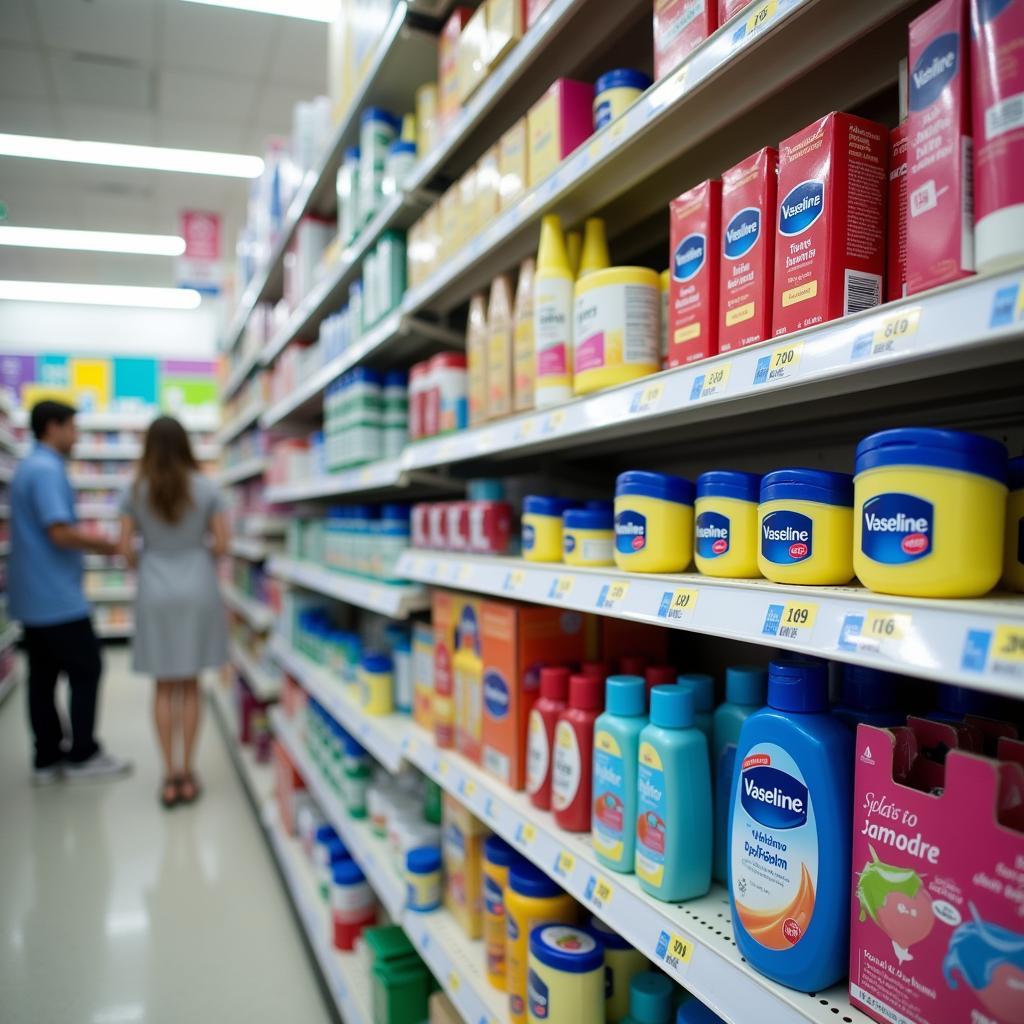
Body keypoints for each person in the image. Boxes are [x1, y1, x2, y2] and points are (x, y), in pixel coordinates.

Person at [9, 400, 132, 783]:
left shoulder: (29, 465)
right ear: (52, 427)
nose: (77, 436)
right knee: (87, 668)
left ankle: (46, 758)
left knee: (42, 677)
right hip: (56, 598)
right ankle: (82, 754)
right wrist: (107, 545)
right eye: (72, 427)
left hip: (32, 595)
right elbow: (59, 531)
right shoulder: (47, 470)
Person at [118, 415, 229, 808]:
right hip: (197, 585)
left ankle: (169, 774)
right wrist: (195, 553)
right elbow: (221, 544)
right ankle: (189, 771)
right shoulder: (205, 487)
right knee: (191, 684)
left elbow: (126, 549)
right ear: (186, 445)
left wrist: (150, 563)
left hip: (155, 588)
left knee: (164, 686)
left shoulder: (136, 489)